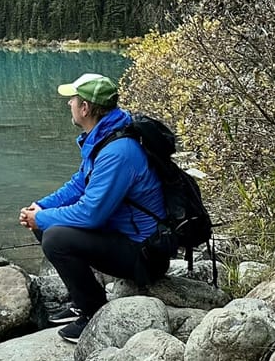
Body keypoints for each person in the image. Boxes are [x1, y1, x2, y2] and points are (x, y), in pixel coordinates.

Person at [18, 72, 170, 343]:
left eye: (73, 100)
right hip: (124, 238)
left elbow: (91, 214)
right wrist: (41, 206)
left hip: (145, 252)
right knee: (46, 224)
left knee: (54, 235)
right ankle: (82, 298)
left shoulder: (118, 151)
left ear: (85, 108)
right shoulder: (104, 137)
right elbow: (79, 184)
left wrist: (42, 219)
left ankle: (94, 313)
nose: (69, 105)